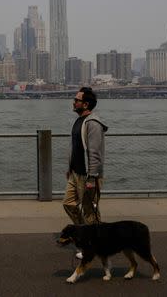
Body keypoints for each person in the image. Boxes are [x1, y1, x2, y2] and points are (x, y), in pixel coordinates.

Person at [63, 86, 108, 231]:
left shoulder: (93, 124)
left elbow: (95, 153)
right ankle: (85, 234)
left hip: (88, 176)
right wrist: (69, 168)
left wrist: (92, 178)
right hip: (75, 173)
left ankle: (96, 242)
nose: (73, 102)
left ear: (85, 104)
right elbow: (75, 147)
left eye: (77, 100)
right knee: (68, 204)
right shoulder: (79, 121)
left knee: (90, 212)